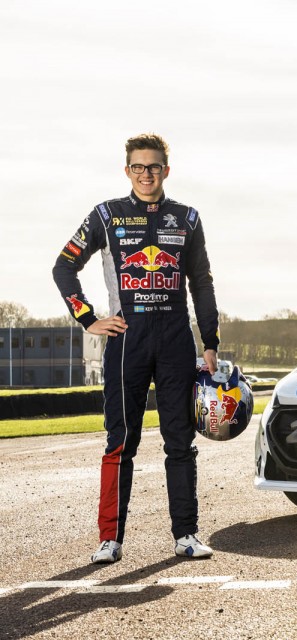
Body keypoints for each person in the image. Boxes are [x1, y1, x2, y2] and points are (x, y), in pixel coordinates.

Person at [52, 133, 220, 563]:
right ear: (127, 170)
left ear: (167, 169)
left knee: (179, 441)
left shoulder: (188, 218)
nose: (147, 174)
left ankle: (186, 534)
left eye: (155, 167)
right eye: (139, 167)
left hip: (176, 340)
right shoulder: (106, 215)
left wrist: (210, 341)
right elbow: (64, 266)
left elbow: (201, 282)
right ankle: (110, 539)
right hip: (126, 340)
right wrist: (88, 318)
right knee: (120, 441)